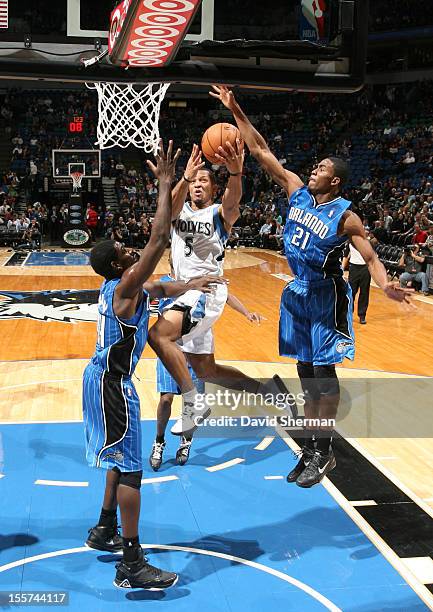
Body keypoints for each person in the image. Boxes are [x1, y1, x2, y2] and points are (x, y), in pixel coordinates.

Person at [210, 85, 413, 488]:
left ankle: (324, 447)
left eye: (321, 168)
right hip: (296, 292)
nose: (314, 169)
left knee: (323, 371)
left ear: (335, 181)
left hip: (326, 293)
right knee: (305, 370)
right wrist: (236, 110)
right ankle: (315, 444)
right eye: (315, 166)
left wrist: (386, 284)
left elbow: (370, 256)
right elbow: (261, 150)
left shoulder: (345, 216)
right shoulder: (297, 192)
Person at [82, 140, 223, 591]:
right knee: (131, 469)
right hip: (111, 382)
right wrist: (167, 185)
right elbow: (160, 240)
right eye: (123, 250)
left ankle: (104, 528)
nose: (128, 250)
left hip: (101, 378)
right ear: (116, 265)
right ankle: (132, 562)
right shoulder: (124, 284)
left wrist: (194, 280)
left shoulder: (129, 289)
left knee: (117, 460)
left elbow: (161, 288)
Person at [148, 145, 295, 437]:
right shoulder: (180, 210)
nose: (198, 185)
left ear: (214, 189)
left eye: (204, 181)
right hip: (185, 293)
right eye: (195, 182)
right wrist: (185, 177)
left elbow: (233, 200)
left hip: (204, 292)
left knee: (158, 335)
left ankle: (193, 404)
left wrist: (235, 173)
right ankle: (269, 392)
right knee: (207, 372)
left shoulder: (218, 213)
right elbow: (165, 214)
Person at [149, 258, 264, 471]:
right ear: (172, 262)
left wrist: (247, 312)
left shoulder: (202, 281)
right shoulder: (164, 284)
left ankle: (186, 442)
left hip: (195, 348)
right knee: (165, 399)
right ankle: (159, 441)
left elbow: (226, 295)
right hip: (171, 349)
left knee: (192, 404)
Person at [343, 241, 371, 324]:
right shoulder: (349, 243)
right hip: (354, 268)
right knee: (351, 292)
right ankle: (348, 314)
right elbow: (345, 256)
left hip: (365, 268)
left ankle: (362, 315)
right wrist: (342, 269)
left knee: (364, 292)